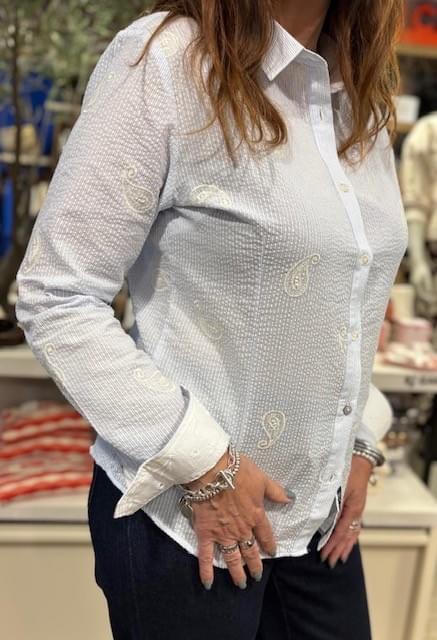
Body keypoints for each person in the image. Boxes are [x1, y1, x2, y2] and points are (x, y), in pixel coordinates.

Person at [15, 0, 406, 638]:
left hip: (317, 516)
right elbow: (56, 295)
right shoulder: (168, 61)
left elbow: (339, 308)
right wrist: (204, 463)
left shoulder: (357, 93)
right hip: (188, 518)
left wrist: (361, 439)